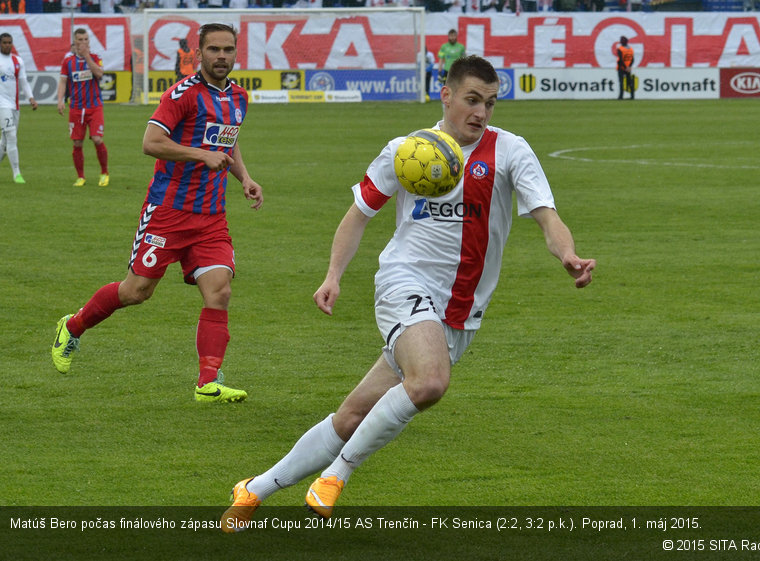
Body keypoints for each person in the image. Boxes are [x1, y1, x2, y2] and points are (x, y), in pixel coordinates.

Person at [220, 54, 595, 531]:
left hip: (461, 312)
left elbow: (547, 216)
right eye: (472, 100)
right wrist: (333, 274)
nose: (481, 113)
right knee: (430, 382)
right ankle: (336, 476)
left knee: (352, 417)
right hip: (404, 283)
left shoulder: (511, 152)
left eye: (490, 103)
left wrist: (568, 255)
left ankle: (254, 490)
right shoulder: (407, 151)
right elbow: (359, 214)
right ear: (447, 95)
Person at [51, 23, 264, 404]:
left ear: (235, 54)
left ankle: (207, 384)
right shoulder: (181, 94)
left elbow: (227, 139)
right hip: (168, 212)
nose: (221, 57)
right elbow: (150, 143)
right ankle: (72, 326)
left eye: (228, 50)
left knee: (219, 290)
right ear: (197, 54)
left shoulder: (238, 97)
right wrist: (201, 154)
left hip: (211, 217)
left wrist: (244, 177)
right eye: (213, 49)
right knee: (136, 292)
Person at [57, 28, 110, 188]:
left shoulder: (95, 58)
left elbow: (99, 74)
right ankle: (80, 177)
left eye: (86, 39)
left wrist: (87, 56)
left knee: (97, 139)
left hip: (94, 107)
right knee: (77, 143)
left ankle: (104, 173)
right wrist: (60, 100)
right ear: (74, 41)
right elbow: (63, 82)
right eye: (80, 39)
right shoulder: (68, 62)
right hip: (76, 108)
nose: (83, 42)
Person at [0, 32, 37, 184]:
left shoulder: (17, 61)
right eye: (4, 43)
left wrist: (31, 97)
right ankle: (17, 173)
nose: (8, 45)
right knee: (11, 135)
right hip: (2, 104)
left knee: (4, 142)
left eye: (10, 42)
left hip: (14, 105)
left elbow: (23, 82)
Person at [616, 36, 634, 100]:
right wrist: (629, 67)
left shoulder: (620, 49)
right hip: (628, 68)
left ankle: (621, 96)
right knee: (629, 82)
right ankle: (632, 96)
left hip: (621, 68)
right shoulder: (631, 49)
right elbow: (632, 59)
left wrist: (625, 67)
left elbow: (620, 60)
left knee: (621, 82)